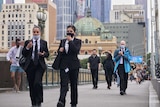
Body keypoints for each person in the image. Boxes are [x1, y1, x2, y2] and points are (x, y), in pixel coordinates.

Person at [22, 25, 49, 107]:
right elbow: (24, 54)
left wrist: (43, 54)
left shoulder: (43, 43)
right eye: (34, 32)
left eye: (37, 32)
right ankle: (33, 102)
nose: (36, 33)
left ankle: (39, 101)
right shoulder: (28, 42)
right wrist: (27, 48)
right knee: (31, 84)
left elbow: (47, 54)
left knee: (37, 83)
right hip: (30, 66)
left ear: (40, 33)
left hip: (39, 66)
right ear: (32, 32)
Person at [56, 25, 81, 107]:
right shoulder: (63, 41)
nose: (69, 33)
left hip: (74, 66)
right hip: (64, 65)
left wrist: (70, 41)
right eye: (68, 31)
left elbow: (76, 51)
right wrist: (60, 51)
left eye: (71, 31)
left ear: (74, 32)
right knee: (64, 84)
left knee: (73, 85)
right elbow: (59, 52)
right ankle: (61, 101)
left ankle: (74, 102)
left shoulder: (77, 41)